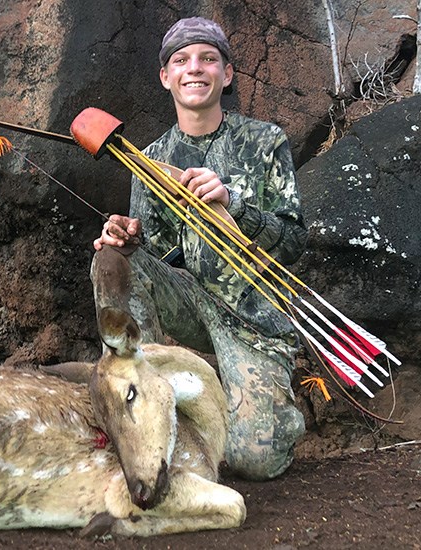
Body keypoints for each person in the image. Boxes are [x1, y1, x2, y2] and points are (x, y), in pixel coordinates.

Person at [91, 17, 307, 480]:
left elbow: (292, 243)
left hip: (253, 319)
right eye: (181, 60)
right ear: (165, 76)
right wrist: (129, 240)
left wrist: (234, 203)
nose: (195, 68)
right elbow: (161, 261)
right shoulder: (147, 159)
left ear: (226, 75)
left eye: (208, 59)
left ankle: (269, 406)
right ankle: (141, 402)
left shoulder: (265, 141)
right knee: (110, 258)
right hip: (189, 302)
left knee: (256, 461)